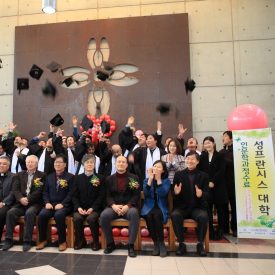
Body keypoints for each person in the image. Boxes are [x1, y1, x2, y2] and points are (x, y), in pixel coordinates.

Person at [2, 155, 45, 251]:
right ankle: (8, 240)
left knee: (30, 213)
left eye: (32, 162)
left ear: (37, 164)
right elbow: (15, 189)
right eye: (28, 162)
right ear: (25, 163)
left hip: (34, 203)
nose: (29, 164)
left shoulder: (42, 175)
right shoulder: (19, 174)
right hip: (20, 202)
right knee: (10, 212)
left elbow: (39, 191)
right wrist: (21, 199)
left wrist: (28, 199)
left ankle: (27, 241)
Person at [100, 155, 140, 257]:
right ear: (115, 164)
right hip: (114, 207)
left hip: (129, 207)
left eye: (123, 162)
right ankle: (110, 244)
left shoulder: (134, 178)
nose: (121, 164)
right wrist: (113, 206)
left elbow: (136, 195)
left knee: (134, 214)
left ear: (127, 165)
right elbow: (107, 196)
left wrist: (128, 205)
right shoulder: (109, 179)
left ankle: (131, 245)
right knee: (104, 216)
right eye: (119, 162)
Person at [171, 151, 209, 256]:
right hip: (182, 207)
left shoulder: (204, 176)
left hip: (197, 207)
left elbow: (208, 194)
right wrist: (176, 192)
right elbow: (173, 193)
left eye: (192, 159)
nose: (189, 161)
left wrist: (201, 194)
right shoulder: (178, 175)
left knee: (203, 216)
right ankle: (181, 243)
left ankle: (200, 244)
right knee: (175, 215)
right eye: (188, 159)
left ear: (197, 161)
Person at [36, 154, 74, 251]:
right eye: (56, 162)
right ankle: (43, 240)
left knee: (59, 215)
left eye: (60, 162)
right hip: (51, 204)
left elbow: (71, 194)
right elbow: (45, 192)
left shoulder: (70, 177)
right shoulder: (49, 177)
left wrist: (63, 204)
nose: (57, 164)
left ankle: (62, 241)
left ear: (65, 164)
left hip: (65, 205)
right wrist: (47, 203)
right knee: (42, 215)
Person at [72, 155, 105, 250]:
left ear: (95, 165)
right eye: (87, 162)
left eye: (92, 162)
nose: (89, 164)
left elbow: (101, 196)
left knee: (91, 218)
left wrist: (93, 208)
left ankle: (95, 242)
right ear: (83, 164)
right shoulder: (77, 178)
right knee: (77, 218)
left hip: (95, 208)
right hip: (80, 208)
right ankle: (80, 241)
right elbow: (74, 196)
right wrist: (78, 207)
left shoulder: (100, 178)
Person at [198, 136, 227, 240]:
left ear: (214, 143)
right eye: (205, 143)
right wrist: (207, 182)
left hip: (218, 186)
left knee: (220, 210)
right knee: (208, 209)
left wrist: (213, 181)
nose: (207, 145)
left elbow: (221, 170)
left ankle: (220, 231)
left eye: (209, 143)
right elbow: (200, 171)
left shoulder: (220, 155)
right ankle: (209, 230)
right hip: (207, 188)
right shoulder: (202, 156)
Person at [141, 160, 171, 257]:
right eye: (155, 166)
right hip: (149, 206)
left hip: (160, 206)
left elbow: (162, 193)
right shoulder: (146, 180)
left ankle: (161, 243)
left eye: (159, 167)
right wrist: (150, 179)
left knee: (157, 215)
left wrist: (158, 180)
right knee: (149, 216)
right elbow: (145, 194)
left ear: (163, 170)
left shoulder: (166, 181)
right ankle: (156, 243)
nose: (156, 169)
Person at [219, 131, 237, 237]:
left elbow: (235, 164)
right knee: (223, 207)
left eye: (225, 136)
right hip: (222, 183)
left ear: (231, 138)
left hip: (233, 183)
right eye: (223, 136)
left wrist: (223, 159)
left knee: (234, 206)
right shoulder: (221, 151)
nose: (223, 138)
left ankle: (234, 228)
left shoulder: (237, 150)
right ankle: (224, 228)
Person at [0, 156, 16, 241]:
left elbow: (13, 192)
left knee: (1, 212)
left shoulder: (13, 176)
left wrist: (3, 203)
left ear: (8, 166)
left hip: (8, 204)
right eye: (0, 163)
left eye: (4, 164)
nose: (1, 165)